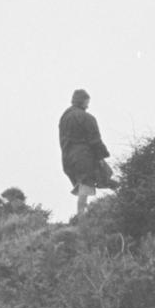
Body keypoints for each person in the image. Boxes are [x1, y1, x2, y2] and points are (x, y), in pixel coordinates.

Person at [59, 89, 113, 219]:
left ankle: (85, 213)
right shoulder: (87, 118)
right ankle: (82, 216)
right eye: (87, 102)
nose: (88, 105)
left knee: (84, 182)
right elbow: (95, 140)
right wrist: (101, 156)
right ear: (83, 101)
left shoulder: (64, 117)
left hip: (68, 156)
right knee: (88, 182)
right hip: (84, 155)